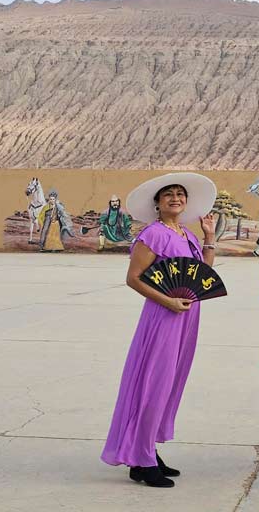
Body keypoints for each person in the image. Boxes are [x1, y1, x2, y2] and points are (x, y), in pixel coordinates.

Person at [101, 173, 218, 488]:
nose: (175, 198)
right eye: (168, 194)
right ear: (157, 203)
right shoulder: (153, 234)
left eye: (180, 194)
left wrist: (208, 236)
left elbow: (204, 273)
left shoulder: (187, 234)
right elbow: (134, 278)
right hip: (163, 315)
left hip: (187, 318)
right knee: (153, 384)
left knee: (169, 386)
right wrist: (168, 301)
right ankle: (141, 459)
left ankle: (147, 450)